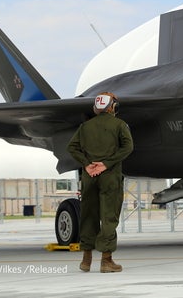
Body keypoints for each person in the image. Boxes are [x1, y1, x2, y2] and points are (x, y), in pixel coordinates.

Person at [68, 92, 133, 273]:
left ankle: (86, 260)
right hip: (110, 176)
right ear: (113, 107)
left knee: (88, 214)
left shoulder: (85, 126)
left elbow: (71, 147)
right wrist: (106, 164)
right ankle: (106, 261)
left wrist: (87, 165)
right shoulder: (119, 125)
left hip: (89, 176)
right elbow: (128, 147)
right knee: (109, 216)